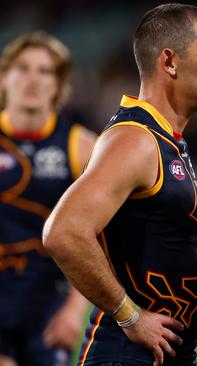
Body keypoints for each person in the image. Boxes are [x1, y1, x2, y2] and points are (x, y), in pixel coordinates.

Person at [42, 4, 197, 366]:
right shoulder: (135, 140)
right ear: (170, 62)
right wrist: (130, 315)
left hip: (164, 351)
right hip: (126, 354)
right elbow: (63, 232)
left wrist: (189, 310)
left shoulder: (164, 139)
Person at [0, 32, 95, 366]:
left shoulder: (81, 146)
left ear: (58, 84)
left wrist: (73, 309)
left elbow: (100, 236)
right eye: (23, 68)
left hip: (47, 307)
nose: (32, 79)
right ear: (4, 76)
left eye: (45, 71)